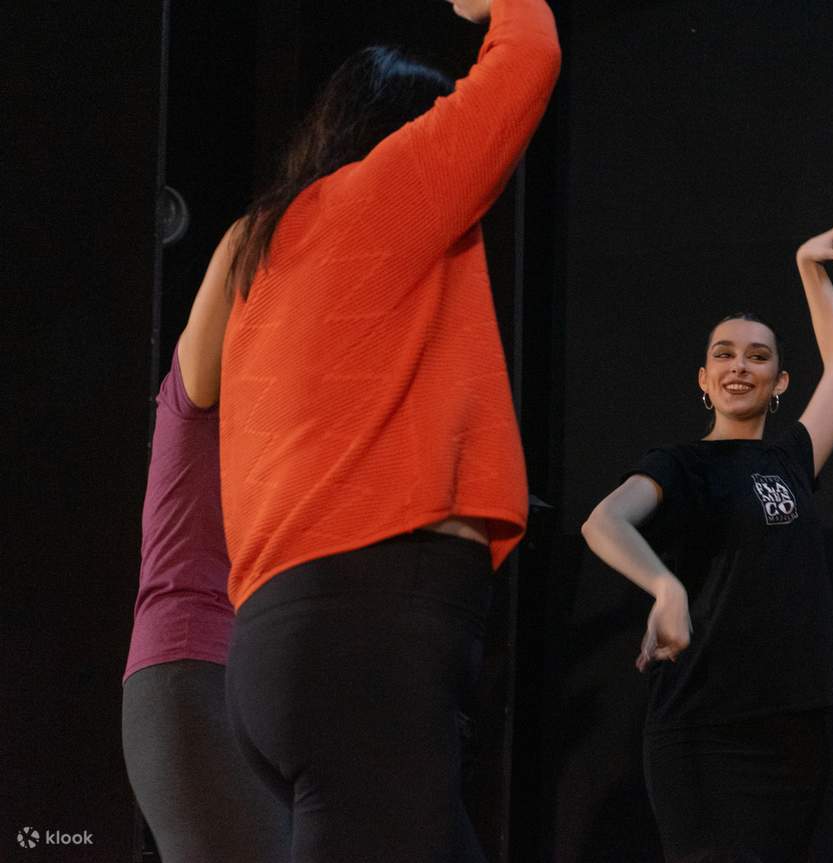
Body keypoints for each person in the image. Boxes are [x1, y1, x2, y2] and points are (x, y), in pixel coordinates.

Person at [218, 0, 559, 859]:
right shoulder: (386, 190)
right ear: (406, 127)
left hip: (279, 643)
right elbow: (528, 56)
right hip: (367, 629)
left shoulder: (275, 250)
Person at [582, 227, 833, 862]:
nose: (739, 366)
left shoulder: (793, 458)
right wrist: (665, 587)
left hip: (793, 728)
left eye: (756, 356)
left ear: (780, 381)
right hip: (704, 725)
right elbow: (603, 522)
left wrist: (808, 267)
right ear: (704, 377)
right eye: (724, 354)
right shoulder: (680, 464)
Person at [122, 222, 291, 863]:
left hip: (245, 683)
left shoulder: (279, 433)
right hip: (189, 671)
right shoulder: (196, 392)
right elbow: (242, 248)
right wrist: (301, 209)